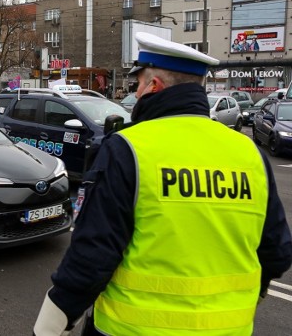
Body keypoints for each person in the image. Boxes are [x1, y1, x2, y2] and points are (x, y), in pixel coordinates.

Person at [33, 32, 292, 336]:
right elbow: (277, 252)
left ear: (153, 86)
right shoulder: (250, 154)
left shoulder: (128, 149)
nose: (136, 93)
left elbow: (91, 257)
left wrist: (51, 326)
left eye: (137, 84)